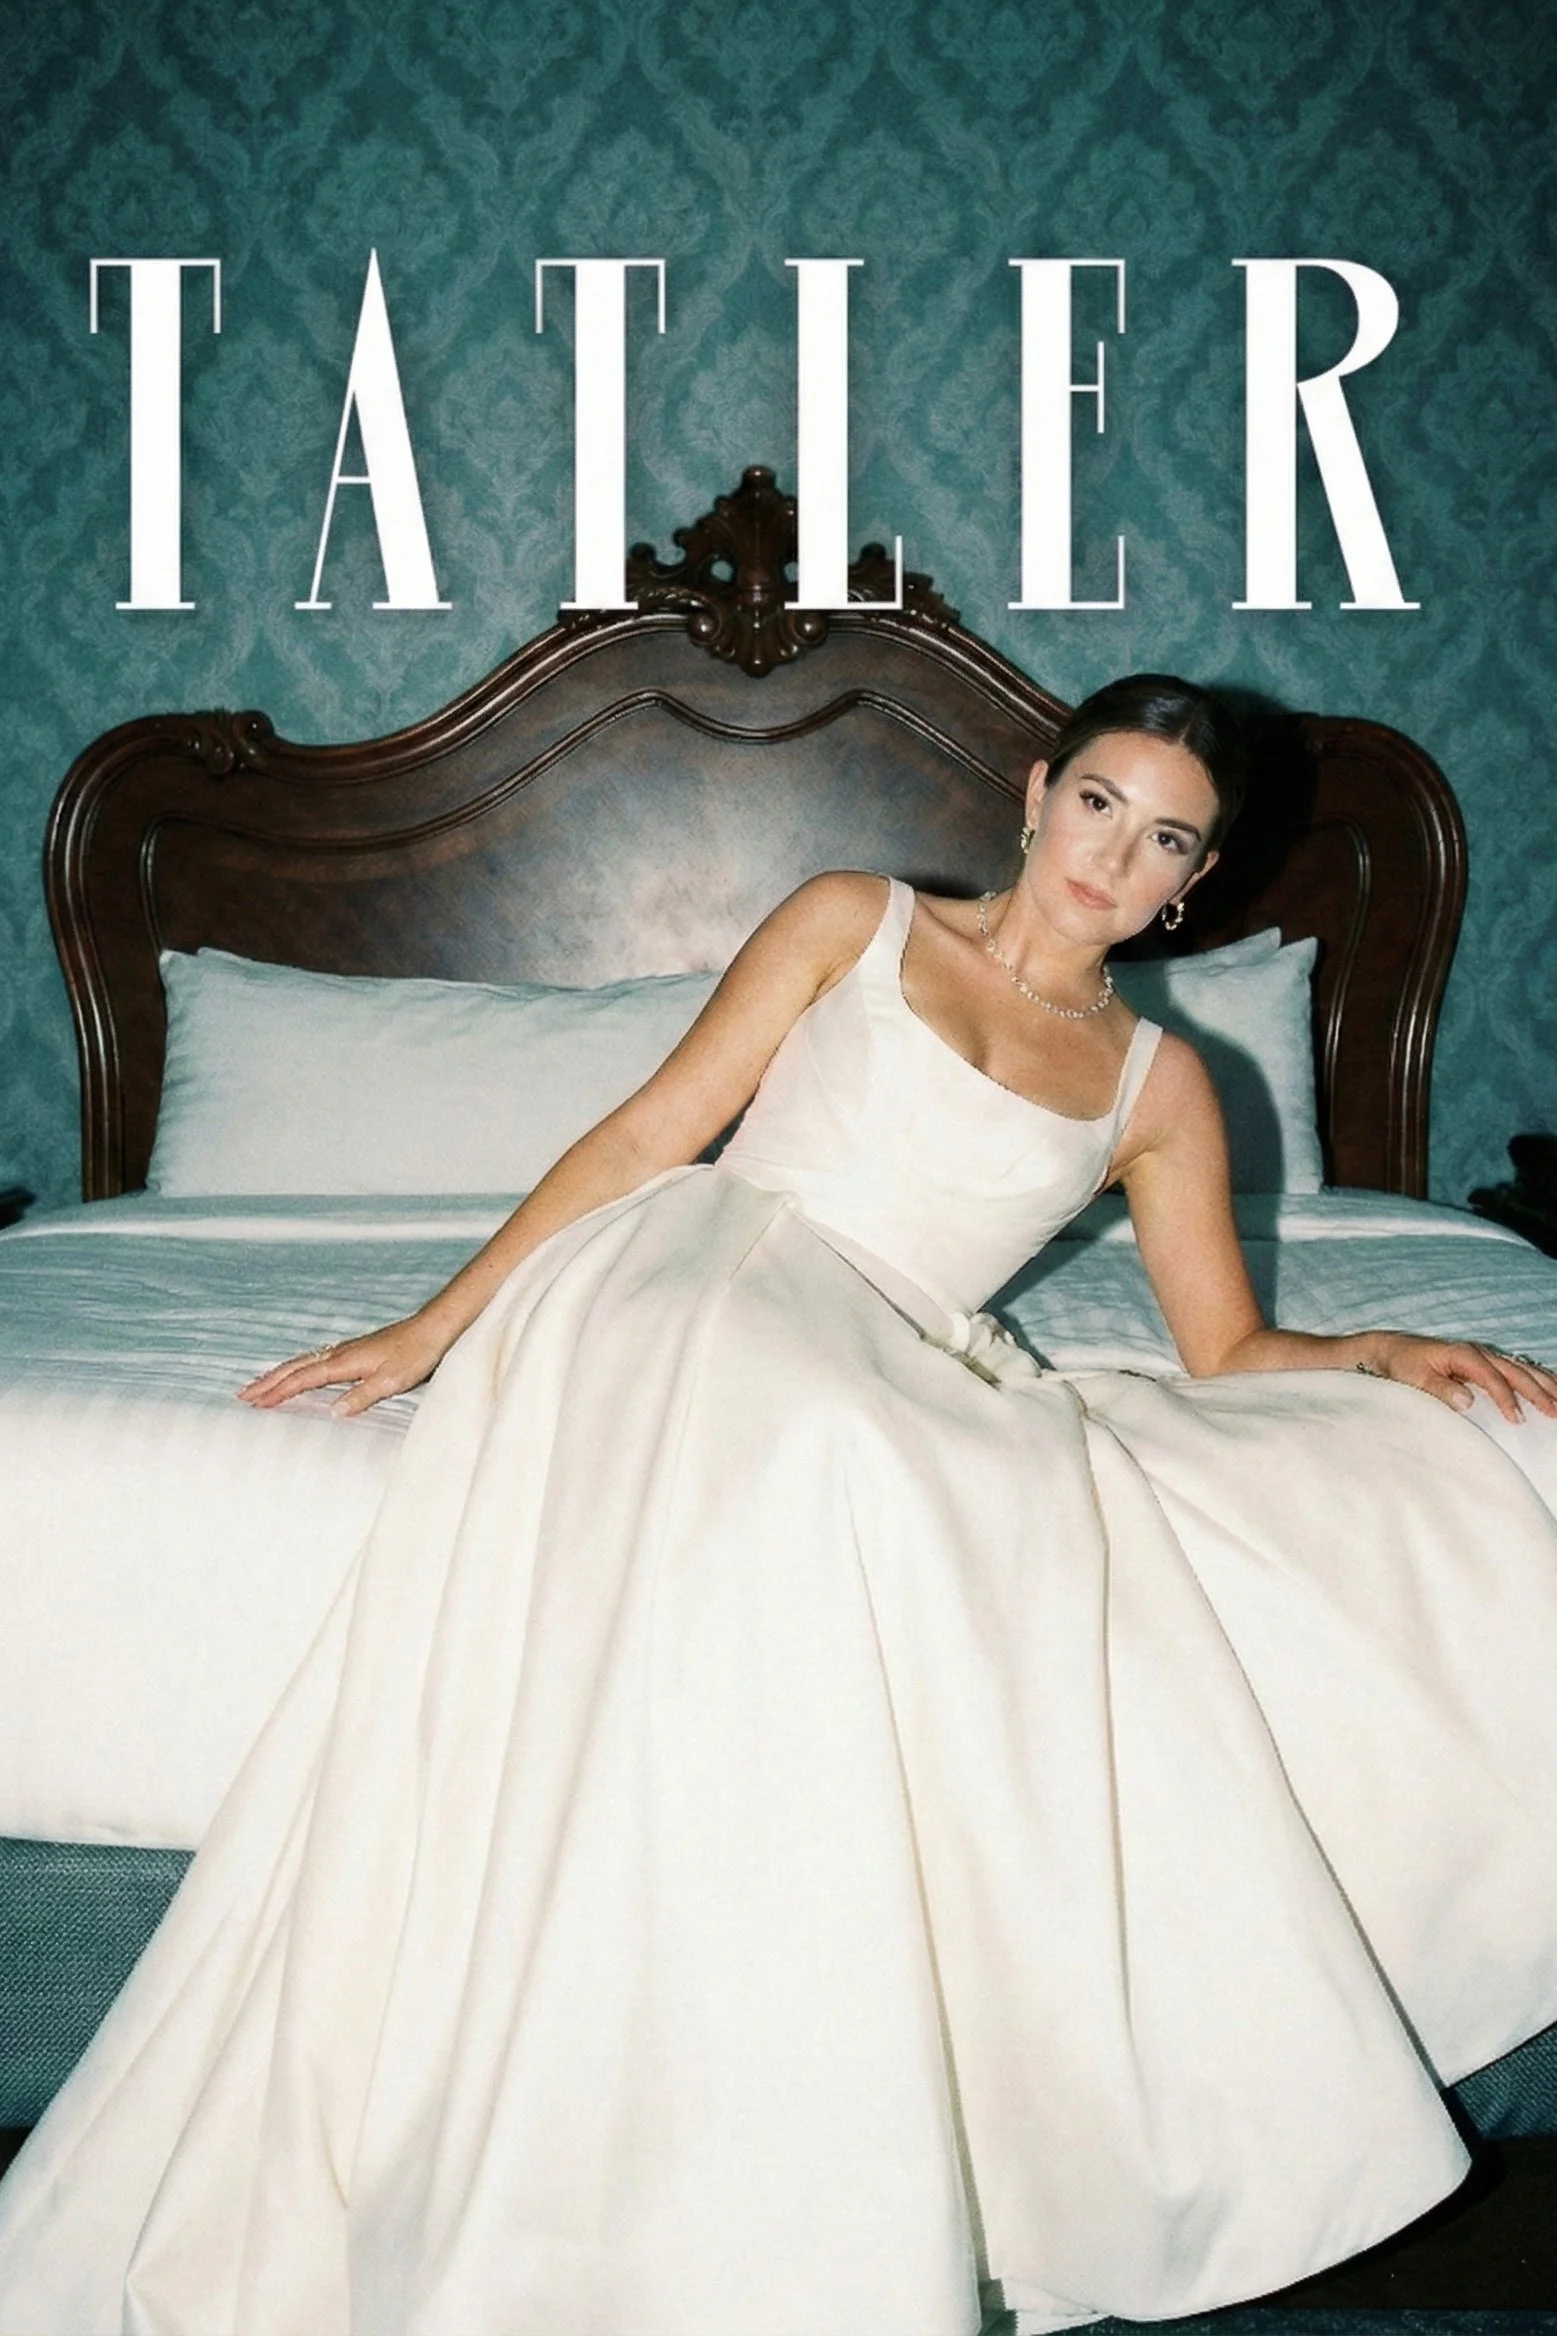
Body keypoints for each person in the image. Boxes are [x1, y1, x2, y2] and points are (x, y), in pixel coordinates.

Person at [2, 673, 1557, 2335]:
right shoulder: (852, 919)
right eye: (1099, 804)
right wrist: (432, 1330)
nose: (1113, 857)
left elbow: (1228, 1349)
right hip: (709, 1278)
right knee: (840, 1446)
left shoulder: (1158, 1083)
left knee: (997, 1472)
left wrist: (1381, 1350)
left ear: (1198, 879)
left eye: (1165, 839)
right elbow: (653, 1133)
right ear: (1038, 793)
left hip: (906, 1359)